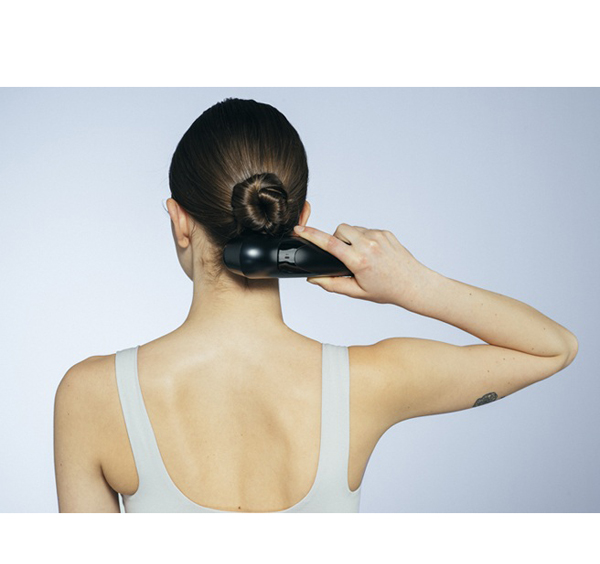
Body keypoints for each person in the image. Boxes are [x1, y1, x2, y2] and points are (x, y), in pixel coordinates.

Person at [53, 98, 579, 513]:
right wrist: (412, 284)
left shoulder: (92, 395)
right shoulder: (367, 382)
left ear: (179, 221)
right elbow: (553, 348)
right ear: (299, 220)